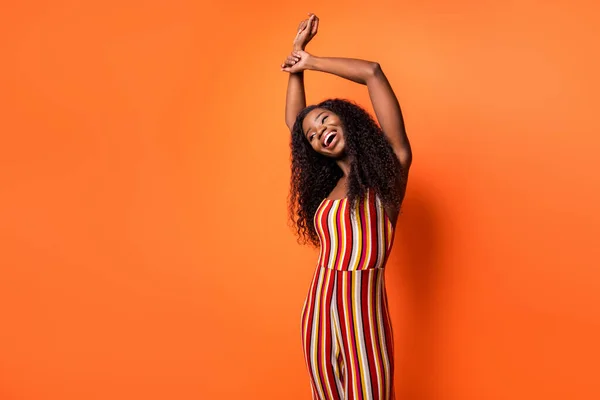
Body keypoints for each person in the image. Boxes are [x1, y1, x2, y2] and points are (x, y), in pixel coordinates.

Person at [281, 13, 412, 400]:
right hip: (318, 306)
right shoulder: (328, 188)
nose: (320, 132)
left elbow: (373, 72)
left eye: (325, 120)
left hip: (363, 310)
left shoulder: (387, 175)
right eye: (314, 135)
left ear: (345, 117)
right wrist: (294, 62)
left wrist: (311, 61)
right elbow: (295, 126)